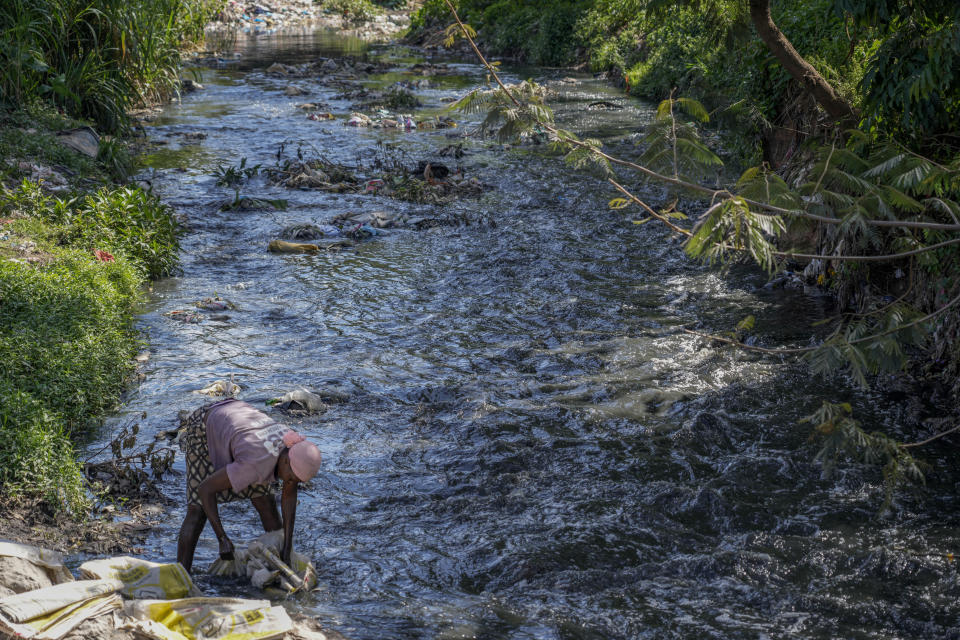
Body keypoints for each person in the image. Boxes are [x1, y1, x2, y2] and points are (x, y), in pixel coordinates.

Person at [176, 397, 323, 573]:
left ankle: (277, 564)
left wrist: (287, 548)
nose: (289, 483)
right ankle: (181, 575)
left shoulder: (292, 448)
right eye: (290, 478)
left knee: (266, 503)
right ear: (284, 462)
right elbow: (205, 489)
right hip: (206, 426)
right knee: (197, 511)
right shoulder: (255, 463)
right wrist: (222, 538)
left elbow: (289, 496)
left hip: (240, 424)